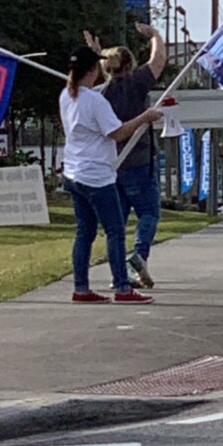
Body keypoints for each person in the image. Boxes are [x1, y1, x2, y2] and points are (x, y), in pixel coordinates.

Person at [60, 45, 163, 304]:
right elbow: (116, 132)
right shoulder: (95, 100)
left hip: (73, 171)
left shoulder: (66, 96)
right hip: (96, 175)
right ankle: (122, 287)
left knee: (85, 232)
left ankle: (81, 288)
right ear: (92, 70)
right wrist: (145, 117)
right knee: (115, 230)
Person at [87, 23, 167, 288]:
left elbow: (96, 76)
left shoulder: (101, 94)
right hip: (139, 160)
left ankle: (118, 275)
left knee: (116, 224)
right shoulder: (137, 84)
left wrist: (95, 54)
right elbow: (158, 60)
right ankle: (140, 254)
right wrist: (155, 35)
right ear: (130, 65)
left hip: (112, 163)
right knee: (149, 213)